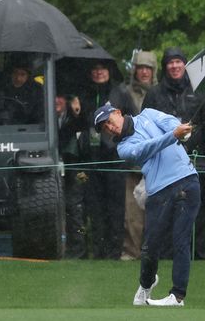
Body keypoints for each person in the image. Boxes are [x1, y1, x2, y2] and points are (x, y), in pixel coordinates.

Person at [96, 102, 199, 308]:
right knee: (150, 247)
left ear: (118, 112)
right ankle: (147, 283)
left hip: (187, 181)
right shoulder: (123, 148)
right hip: (159, 191)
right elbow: (148, 148)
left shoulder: (148, 114)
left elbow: (170, 122)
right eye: (104, 128)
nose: (109, 127)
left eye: (109, 121)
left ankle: (177, 296)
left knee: (181, 241)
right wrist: (174, 135)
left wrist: (181, 132)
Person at [142, 48, 205, 260]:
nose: (175, 66)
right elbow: (144, 126)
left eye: (178, 62)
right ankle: (166, 254)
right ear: (165, 67)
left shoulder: (199, 91)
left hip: (196, 162)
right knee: (167, 210)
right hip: (165, 163)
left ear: (185, 65)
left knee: (200, 209)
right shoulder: (154, 94)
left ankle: (203, 254)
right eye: (170, 63)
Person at [78, 59, 124, 259]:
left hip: (114, 160)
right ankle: (97, 252)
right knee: (94, 209)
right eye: (94, 69)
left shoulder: (119, 93)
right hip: (91, 160)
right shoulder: (83, 95)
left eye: (102, 68)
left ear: (109, 70)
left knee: (115, 209)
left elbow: (131, 122)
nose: (99, 72)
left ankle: (114, 252)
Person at [114, 50, 157, 260]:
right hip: (132, 162)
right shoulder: (124, 93)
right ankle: (132, 252)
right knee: (132, 213)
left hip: (155, 161)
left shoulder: (159, 93)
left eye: (148, 68)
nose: (144, 72)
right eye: (141, 68)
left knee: (157, 211)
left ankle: (153, 252)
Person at [55, 92, 87, 259]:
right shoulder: (47, 118)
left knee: (75, 207)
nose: (57, 100)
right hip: (58, 168)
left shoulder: (75, 117)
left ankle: (78, 250)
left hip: (78, 170)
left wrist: (76, 113)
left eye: (60, 97)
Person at [0, 55, 44, 126]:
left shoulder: (36, 92)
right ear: (10, 74)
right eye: (15, 73)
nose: (18, 78)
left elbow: (39, 120)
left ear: (28, 76)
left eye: (22, 74)